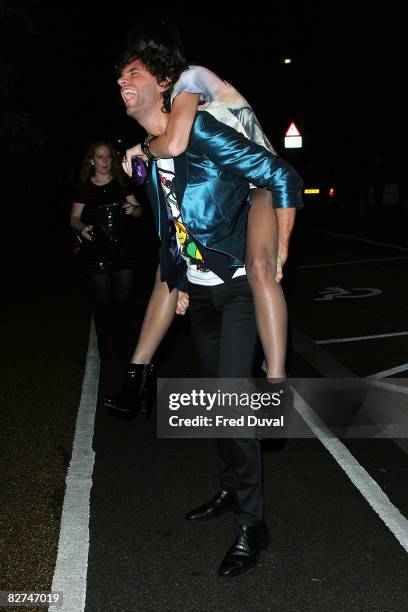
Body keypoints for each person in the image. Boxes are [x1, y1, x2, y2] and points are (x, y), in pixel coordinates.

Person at [105, 28, 303, 578]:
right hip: (204, 291)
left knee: (234, 400)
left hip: (241, 284)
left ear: (164, 83)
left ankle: (251, 525)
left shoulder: (204, 132)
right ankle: (228, 490)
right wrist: (183, 279)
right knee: (216, 402)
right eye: (120, 75)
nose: (122, 82)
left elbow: (279, 174)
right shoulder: (146, 161)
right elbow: (173, 227)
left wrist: (281, 246)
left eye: (134, 74)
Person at [120, 20, 294, 382]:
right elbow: (175, 212)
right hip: (234, 183)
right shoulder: (181, 93)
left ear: (160, 61)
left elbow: (174, 144)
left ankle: (277, 378)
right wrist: (181, 276)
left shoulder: (189, 80)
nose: (122, 80)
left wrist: (141, 149)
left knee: (263, 267)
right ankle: (137, 371)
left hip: (257, 185)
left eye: (136, 67)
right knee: (165, 265)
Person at [70, 141, 142, 361]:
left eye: (108, 156)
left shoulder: (121, 184)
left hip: (123, 251)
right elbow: (73, 218)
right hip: (97, 252)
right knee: (102, 304)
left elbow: (139, 211)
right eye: (99, 157)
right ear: (92, 160)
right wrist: (82, 228)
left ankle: (122, 348)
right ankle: (104, 349)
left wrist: (134, 209)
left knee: (124, 303)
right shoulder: (85, 188)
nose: (104, 161)